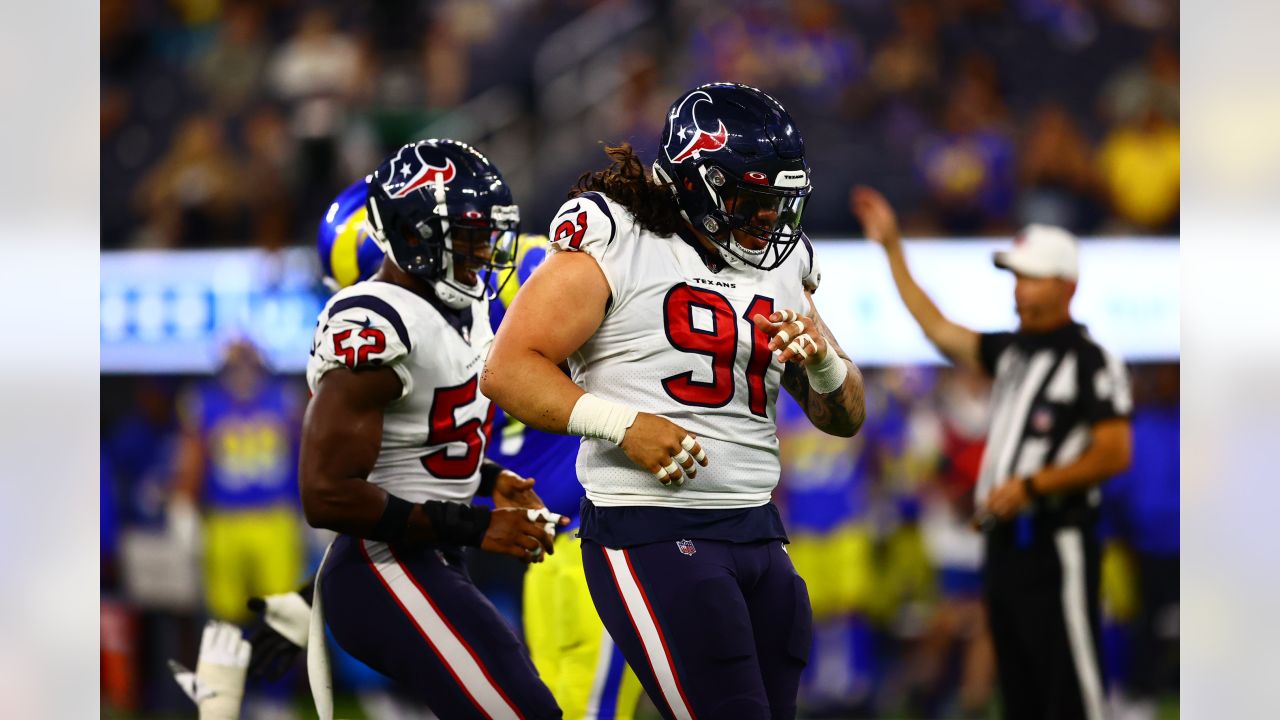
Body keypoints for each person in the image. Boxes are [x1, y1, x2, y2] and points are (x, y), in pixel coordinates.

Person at [482, 82, 866, 718]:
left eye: (781, 202)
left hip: (758, 529)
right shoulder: (617, 237)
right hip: (650, 529)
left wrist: (822, 365)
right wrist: (622, 425)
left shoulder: (783, 264)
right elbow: (508, 368)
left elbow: (846, 418)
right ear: (697, 181)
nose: (770, 219)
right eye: (752, 198)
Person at [300, 138, 565, 719]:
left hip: (431, 556)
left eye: (487, 234)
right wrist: (471, 523)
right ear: (412, 234)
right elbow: (325, 494)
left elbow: (418, 439)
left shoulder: (464, 310)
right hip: (383, 563)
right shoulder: (374, 318)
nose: (484, 252)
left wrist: (485, 476)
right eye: (467, 237)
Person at [852, 186, 1132, 720]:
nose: (1017, 288)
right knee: (1022, 694)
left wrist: (1031, 487)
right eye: (1014, 276)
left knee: (1073, 693)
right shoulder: (1011, 352)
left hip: (1058, 546)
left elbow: (1114, 453)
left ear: (1065, 285)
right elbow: (937, 328)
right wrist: (892, 249)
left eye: (1028, 276)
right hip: (1004, 552)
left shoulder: (1092, 362)